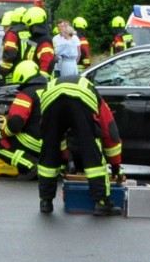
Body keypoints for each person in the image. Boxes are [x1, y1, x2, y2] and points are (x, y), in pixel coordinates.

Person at [37, 75, 123, 216]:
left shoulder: (53, 87)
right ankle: (101, 203)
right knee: (91, 149)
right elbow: (110, 133)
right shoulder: (96, 98)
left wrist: (65, 162)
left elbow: (55, 138)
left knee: (49, 149)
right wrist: (115, 166)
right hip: (80, 100)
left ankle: (45, 202)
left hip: (49, 99)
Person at [0, 60, 47, 177]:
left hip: (36, 141)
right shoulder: (50, 89)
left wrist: (0, 134)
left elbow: (15, 124)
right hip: (55, 143)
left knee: (0, 146)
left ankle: (31, 165)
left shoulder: (27, 94)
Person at [0, 6, 34, 86]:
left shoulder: (12, 34)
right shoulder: (31, 33)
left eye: (5, 27)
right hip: (30, 75)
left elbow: (9, 56)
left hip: (13, 76)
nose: (4, 30)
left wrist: (2, 73)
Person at [22, 6, 56, 78]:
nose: (26, 27)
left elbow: (46, 67)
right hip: (32, 82)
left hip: (41, 85)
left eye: (29, 25)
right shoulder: (35, 39)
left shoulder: (44, 42)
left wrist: (39, 82)